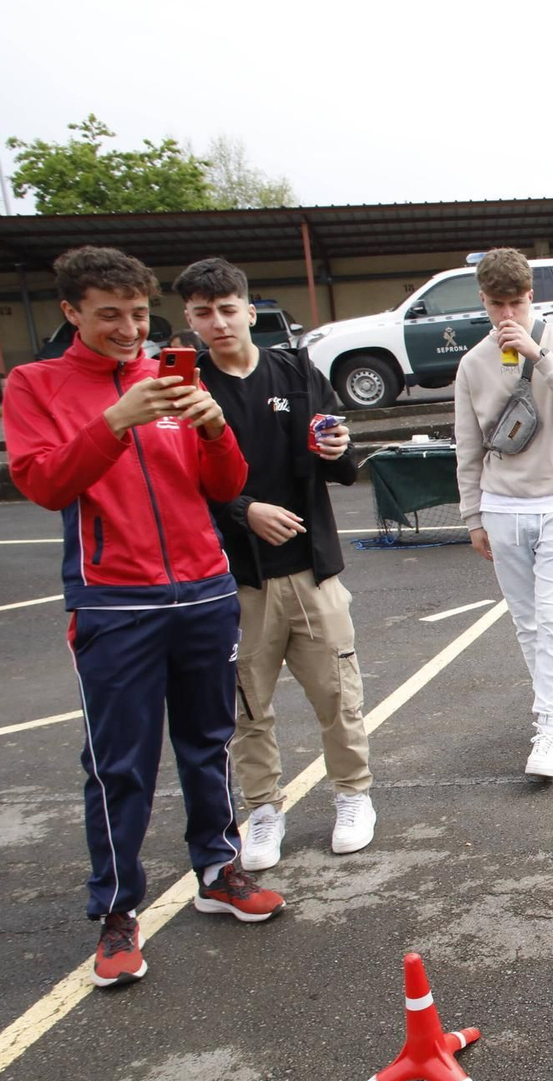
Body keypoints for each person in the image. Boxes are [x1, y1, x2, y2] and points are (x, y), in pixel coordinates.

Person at [6, 245, 282, 991]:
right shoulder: (37, 383)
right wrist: (116, 420)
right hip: (113, 599)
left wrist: (217, 427)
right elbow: (43, 482)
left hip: (203, 589)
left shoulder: (170, 370)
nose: (129, 330)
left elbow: (224, 483)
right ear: (71, 312)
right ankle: (118, 912)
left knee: (209, 742)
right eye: (109, 316)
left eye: (137, 314)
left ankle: (217, 872)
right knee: (117, 764)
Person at [174, 257, 376, 870]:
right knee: (245, 707)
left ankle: (353, 796)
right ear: (190, 318)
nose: (218, 322)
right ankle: (262, 811)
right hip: (236, 578)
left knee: (338, 694)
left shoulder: (295, 371)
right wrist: (245, 510)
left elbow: (335, 458)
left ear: (249, 311)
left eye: (228, 309)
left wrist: (342, 449)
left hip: (312, 568)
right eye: (203, 313)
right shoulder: (188, 387)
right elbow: (183, 481)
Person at [454, 247, 553, 779]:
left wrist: (539, 356)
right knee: (527, 622)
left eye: (517, 303)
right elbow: (467, 446)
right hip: (502, 505)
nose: (508, 316)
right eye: (498, 305)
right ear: (483, 301)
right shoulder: (472, 363)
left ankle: (545, 727)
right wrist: (473, 517)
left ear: (531, 297)